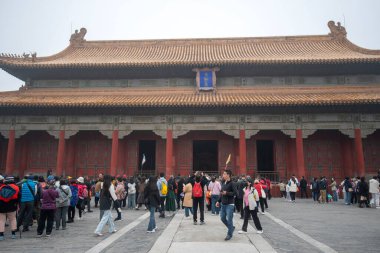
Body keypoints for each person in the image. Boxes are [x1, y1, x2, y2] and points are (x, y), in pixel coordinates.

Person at [216, 170, 238, 241]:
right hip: (223, 204)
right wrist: (218, 201)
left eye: (224, 174)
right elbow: (221, 193)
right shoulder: (223, 182)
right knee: (222, 218)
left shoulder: (232, 183)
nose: (223, 175)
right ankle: (231, 228)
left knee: (229, 220)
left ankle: (229, 234)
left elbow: (235, 193)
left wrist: (227, 193)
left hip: (230, 204)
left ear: (228, 175)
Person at [0, 176, 20, 240]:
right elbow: (19, 198)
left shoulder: (1, 188)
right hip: (12, 206)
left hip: (1, 206)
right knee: (13, 219)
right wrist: (18, 205)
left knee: (1, 220)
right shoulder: (17, 188)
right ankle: (13, 234)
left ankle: (1, 235)